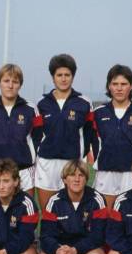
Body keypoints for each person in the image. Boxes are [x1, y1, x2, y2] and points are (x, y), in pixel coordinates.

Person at [36, 160, 108, 254]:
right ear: (64, 179)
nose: (76, 179)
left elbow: (98, 236)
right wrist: (57, 250)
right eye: (72, 175)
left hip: (85, 251)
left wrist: (75, 249)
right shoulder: (54, 201)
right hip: (61, 252)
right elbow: (46, 235)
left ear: (86, 178)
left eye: (81, 175)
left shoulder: (97, 199)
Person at [92, 64, 132, 208]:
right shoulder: (99, 112)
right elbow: (93, 142)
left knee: (130, 215)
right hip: (106, 171)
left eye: (123, 84)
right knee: (105, 214)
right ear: (109, 86)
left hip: (131, 173)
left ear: (131, 86)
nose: (119, 88)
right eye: (115, 84)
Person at [35, 54, 95, 210]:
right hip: (46, 163)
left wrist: (82, 155)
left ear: (73, 77)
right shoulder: (42, 104)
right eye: (59, 75)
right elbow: (36, 135)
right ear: (53, 77)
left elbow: (90, 133)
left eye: (67, 75)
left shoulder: (84, 103)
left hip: (72, 163)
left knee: (71, 209)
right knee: (48, 211)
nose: (63, 79)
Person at [0, 64, 43, 196]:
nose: (10, 85)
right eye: (6, 81)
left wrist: (29, 157)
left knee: (24, 213)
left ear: (20, 85)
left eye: (15, 82)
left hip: (24, 171)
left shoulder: (31, 109)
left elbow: (38, 138)